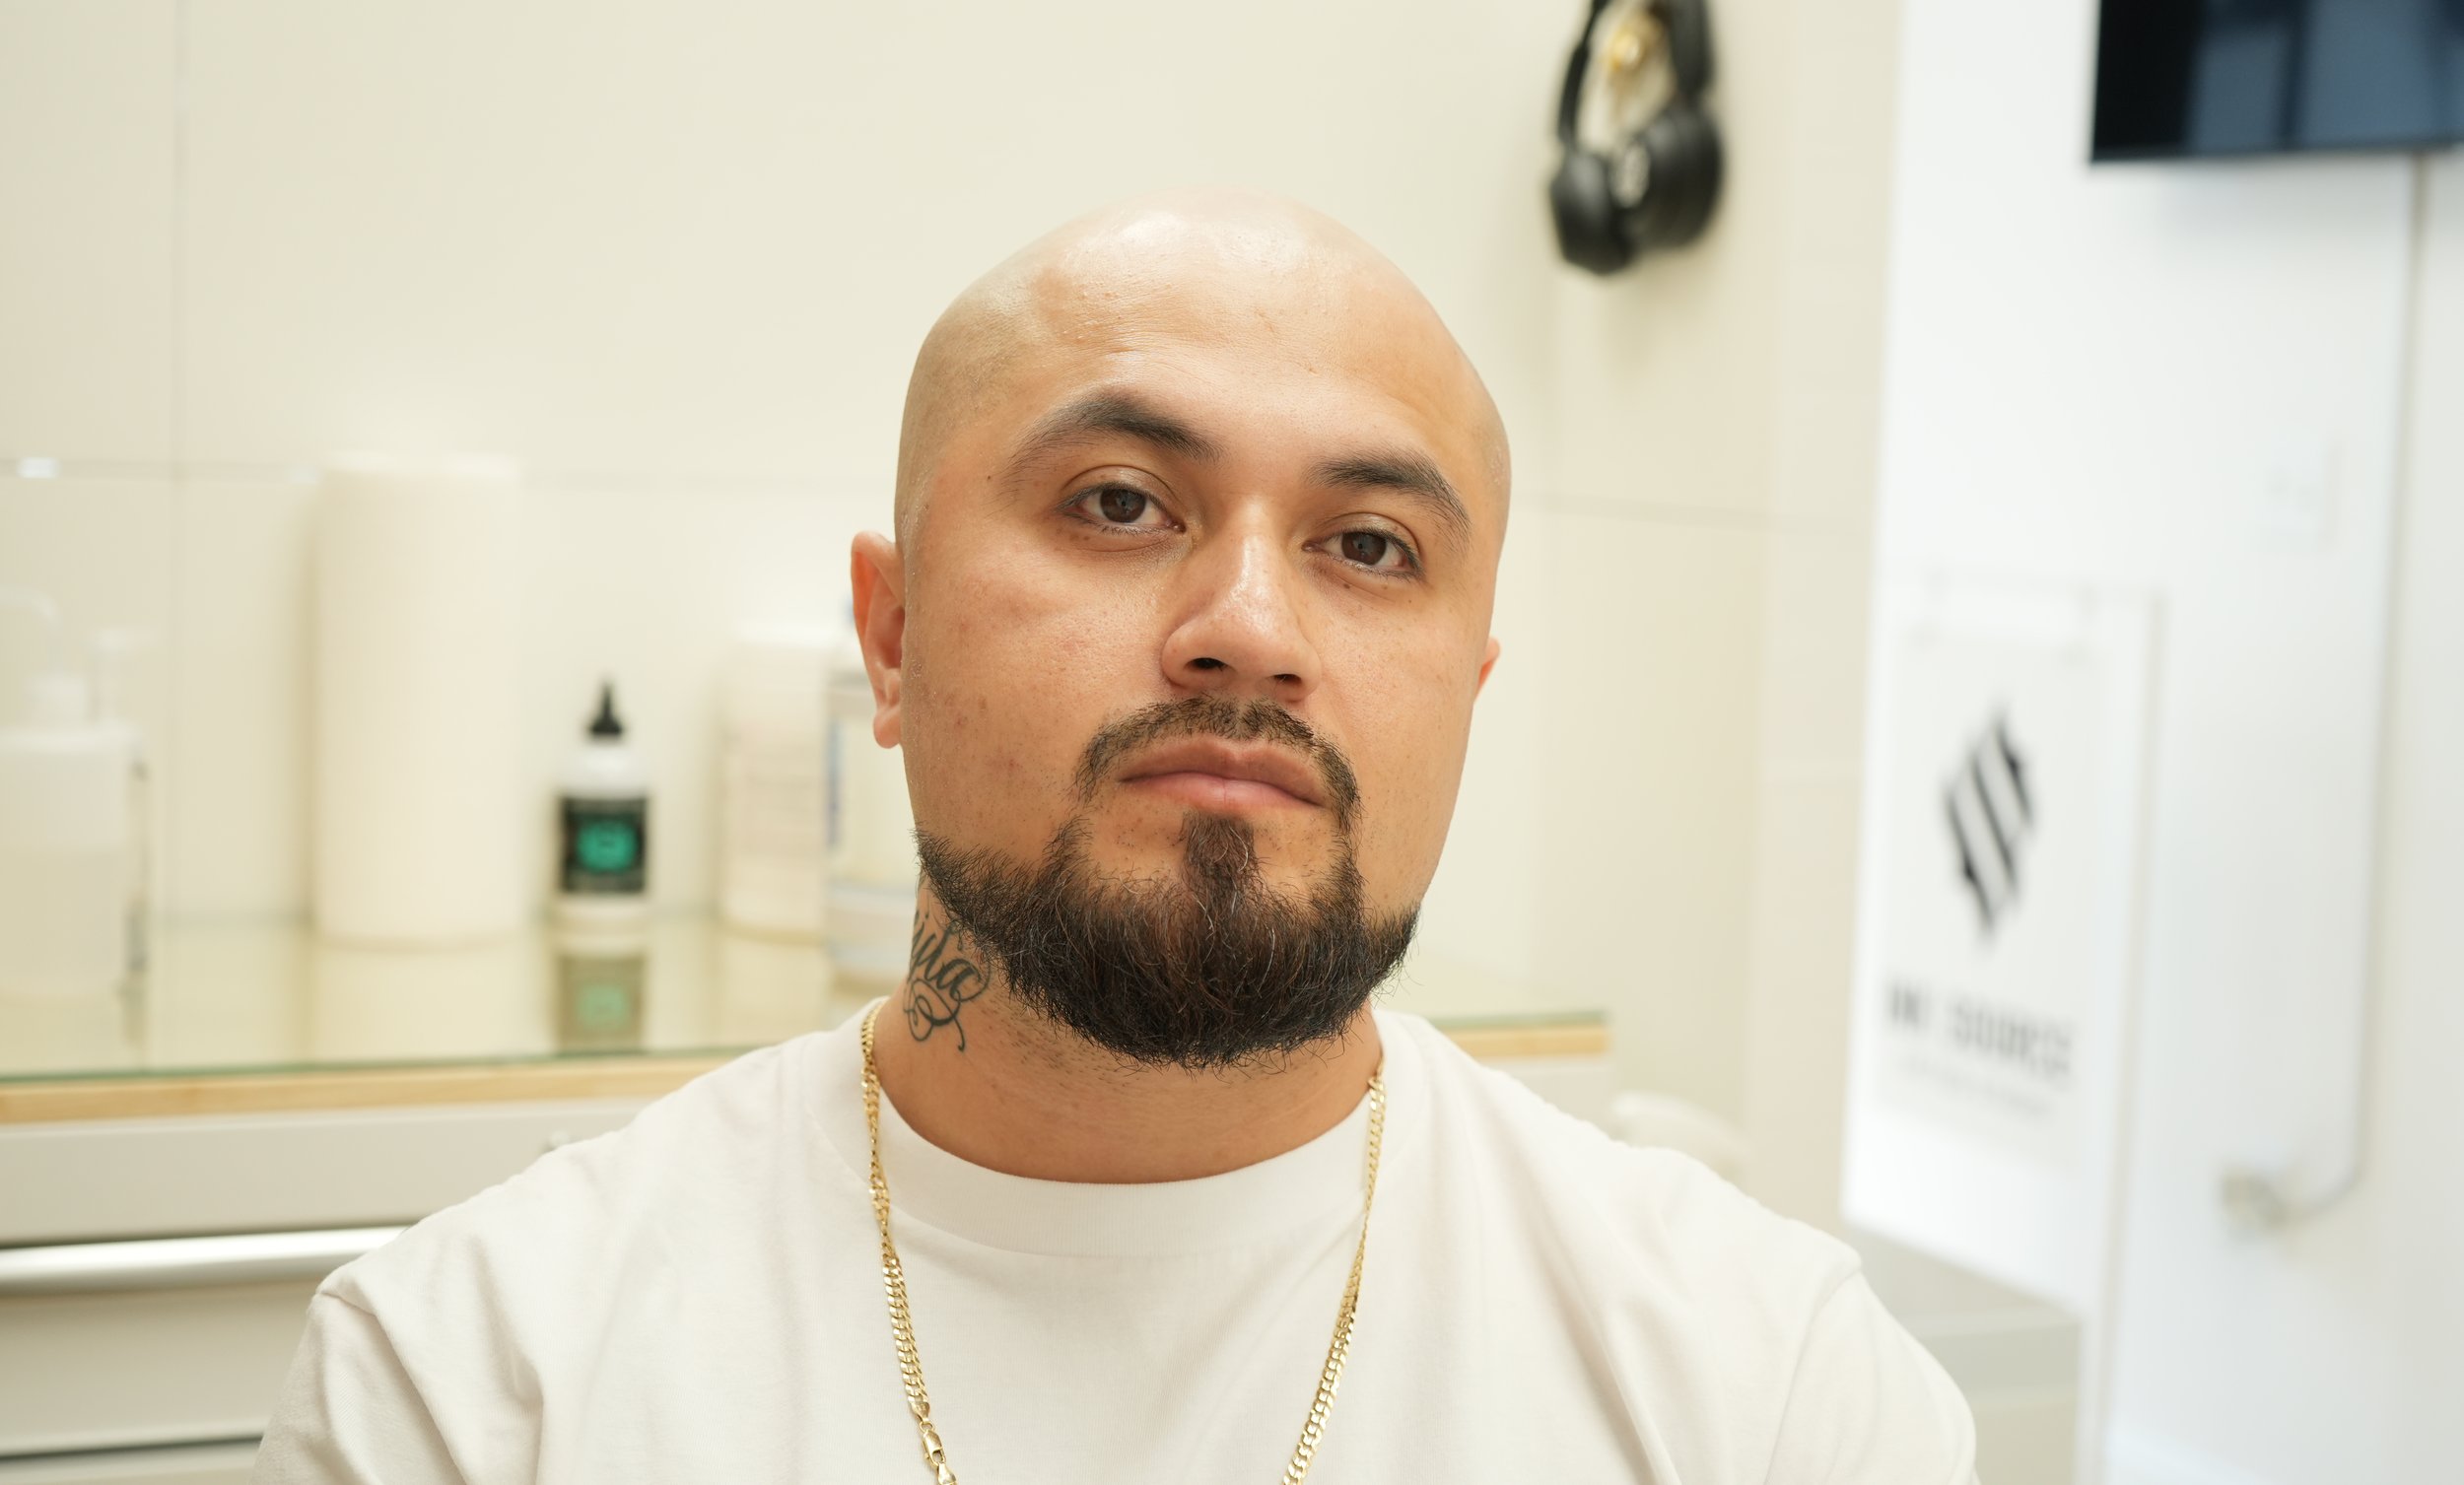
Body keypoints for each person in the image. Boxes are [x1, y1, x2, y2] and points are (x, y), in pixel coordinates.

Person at [256, 190, 1977, 1483]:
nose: (1250, 630)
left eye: (1369, 545)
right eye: (1122, 504)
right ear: (893, 637)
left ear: (1471, 686)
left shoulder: (1775, 1398)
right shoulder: (472, 1390)